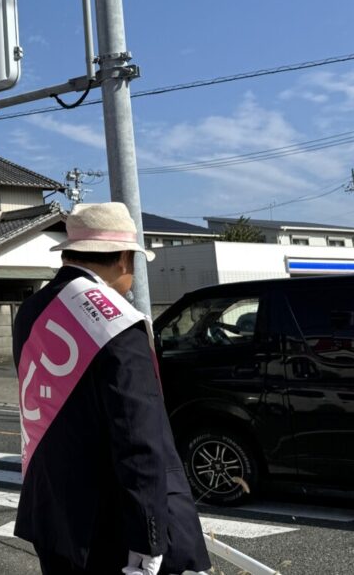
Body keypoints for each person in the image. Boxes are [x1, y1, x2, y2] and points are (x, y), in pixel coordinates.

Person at [13, 202, 210, 575]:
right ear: (123, 259)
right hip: (108, 530)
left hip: (51, 514)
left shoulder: (31, 309)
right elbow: (140, 440)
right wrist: (149, 540)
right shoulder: (118, 322)